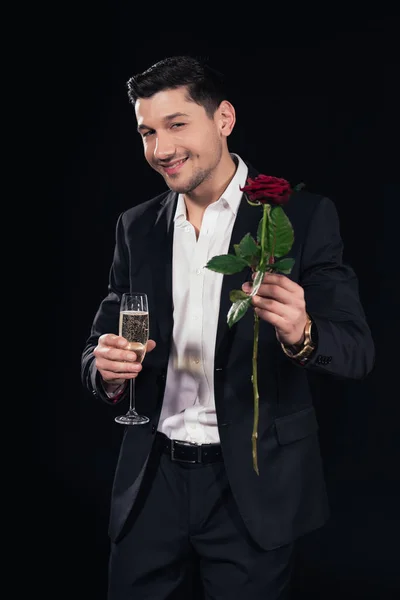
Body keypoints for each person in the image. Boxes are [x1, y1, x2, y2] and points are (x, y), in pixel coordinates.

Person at [81, 55, 375, 599]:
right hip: (152, 483)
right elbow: (98, 348)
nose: (160, 149)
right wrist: (107, 371)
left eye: (176, 125)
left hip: (251, 489)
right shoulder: (136, 227)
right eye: (147, 132)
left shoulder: (300, 218)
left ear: (224, 120)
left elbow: (356, 350)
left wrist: (302, 332)